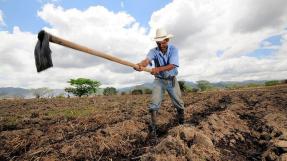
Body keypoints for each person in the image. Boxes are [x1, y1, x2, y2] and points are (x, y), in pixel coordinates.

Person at [134, 28, 185, 137]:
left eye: (163, 42)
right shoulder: (154, 51)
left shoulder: (173, 49)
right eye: (159, 43)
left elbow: (173, 65)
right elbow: (147, 60)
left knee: (179, 104)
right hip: (159, 80)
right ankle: (154, 130)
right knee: (153, 105)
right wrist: (140, 65)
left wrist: (158, 69)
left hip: (171, 79)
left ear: (167, 40)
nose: (161, 45)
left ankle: (182, 124)